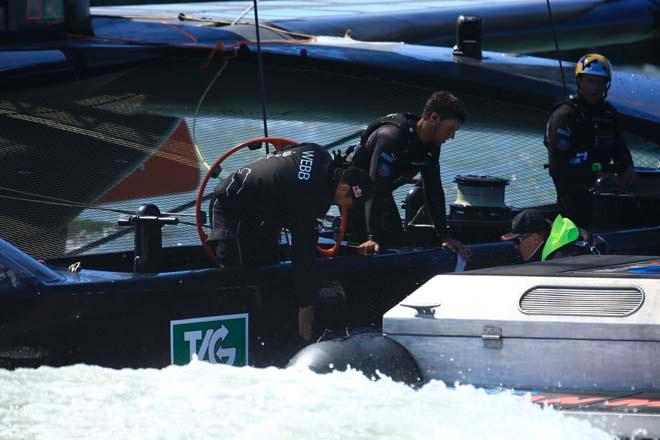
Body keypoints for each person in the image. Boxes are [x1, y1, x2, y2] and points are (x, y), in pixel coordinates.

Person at [208, 142, 373, 341]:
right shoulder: (312, 196)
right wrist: (305, 306)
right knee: (238, 272)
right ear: (344, 188)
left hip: (261, 211)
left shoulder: (319, 153)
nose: (347, 208)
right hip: (230, 204)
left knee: (269, 261)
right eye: (351, 203)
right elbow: (302, 253)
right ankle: (242, 331)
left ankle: (268, 327)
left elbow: (283, 156)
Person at [348, 91, 471, 260]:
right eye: (449, 129)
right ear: (434, 118)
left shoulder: (431, 146)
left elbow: (434, 189)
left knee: (396, 238)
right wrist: (371, 238)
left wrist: (444, 236)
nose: (452, 136)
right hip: (352, 191)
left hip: (380, 192)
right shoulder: (391, 137)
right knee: (376, 243)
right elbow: (375, 186)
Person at [544, 53, 638, 228]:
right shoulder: (565, 116)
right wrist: (596, 175)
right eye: (590, 81)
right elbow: (558, 168)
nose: (595, 87)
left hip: (606, 193)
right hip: (573, 198)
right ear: (580, 82)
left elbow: (620, 149)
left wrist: (628, 168)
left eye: (600, 82)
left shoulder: (609, 115)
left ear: (606, 85)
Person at [501, 209, 599, 262]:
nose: (515, 246)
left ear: (535, 237)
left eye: (517, 241)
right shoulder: (573, 236)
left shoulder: (560, 261)